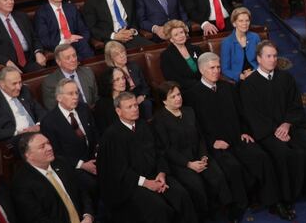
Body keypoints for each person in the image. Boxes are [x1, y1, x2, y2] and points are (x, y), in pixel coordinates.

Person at [187, 52, 287, 218]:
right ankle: (238, 207)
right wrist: (212, 142)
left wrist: (245, 131)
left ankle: (274, 202)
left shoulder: (228, 87)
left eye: (218, 67)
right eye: (212, 68)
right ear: (202, 70)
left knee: (261, 157)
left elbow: (242, 113)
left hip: (238, 138)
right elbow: (195, 127)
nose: (217, 71)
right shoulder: (193, 95)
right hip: (216, 145)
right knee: (232, 167)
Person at [240, 41, 306, 206]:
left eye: (275, 56)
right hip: (267, 132)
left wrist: (286, 124)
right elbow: (253, 115)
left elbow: (295, 105)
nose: (272, 60)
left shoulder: (286, 78)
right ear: (259, 58)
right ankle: (286, 198)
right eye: (268, 56)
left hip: (289, 125)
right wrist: (276, 131)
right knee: (283, 154)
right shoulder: (248, 85)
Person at [97, 92, 198, 222]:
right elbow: (119, 171)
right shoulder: (111, 136)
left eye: (136, 105)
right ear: (118, 111)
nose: (135, 109)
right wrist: (146, 183)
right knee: (158, 208)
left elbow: (158, 152)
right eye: (129, 107)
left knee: (181, 195)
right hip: (132, 185)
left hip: (155, 176)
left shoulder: (144, 125)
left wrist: (161, 173)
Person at [151, 81, 238, 219]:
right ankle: (207, 216)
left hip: (199, 155)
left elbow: (201, 137)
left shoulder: (189, 111)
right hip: (180, 162)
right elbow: (166, 149)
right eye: (173, 97)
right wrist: (189, 164)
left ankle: (228, 211)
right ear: (164, 101)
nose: (178, 98)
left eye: (178, 94)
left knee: (218, 175)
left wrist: (203, 156)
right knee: (196, 185)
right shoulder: (159, 120)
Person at [13, 132, 94, 223]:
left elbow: (82, 191)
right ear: (28, 155)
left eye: (48, 143)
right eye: (42, 146)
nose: (50, 148)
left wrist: (88, 216)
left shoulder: (62, 163)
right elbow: (36, 218)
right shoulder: (21, 183)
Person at [39, 78, 98, 194]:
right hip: (72, 166)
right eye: (70, 94)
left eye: (76, 93)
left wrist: (98, 150)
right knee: (93, 185)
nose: (75, 97)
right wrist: (82, 165)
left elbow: (95, 133)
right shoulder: (49, 122)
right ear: (59, 97)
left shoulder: (84, 108)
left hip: (93, 157)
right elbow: (55, 153)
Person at [82, 0, 151, 49]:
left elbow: (134, 18)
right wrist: (114, 36)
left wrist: (132, 31)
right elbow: (92, 28)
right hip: (111, 39)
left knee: (153, 49)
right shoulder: (92, 1)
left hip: (130, 35)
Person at [0, 0, 46, 72]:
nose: (10, 2)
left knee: (43, 75)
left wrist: (38, 52)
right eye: (6, 0)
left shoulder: (22, 16)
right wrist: (7, 62)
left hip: (30, 59)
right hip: (8, 64)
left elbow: (34, 38)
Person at [0, 66, 45, 142]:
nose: (19, 87)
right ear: (2, 84)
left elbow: (41, 111)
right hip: (16, 139)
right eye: (14, 84)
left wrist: (38, 125)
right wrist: (17, 132)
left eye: (20, 82)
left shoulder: (24, 90)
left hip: (37, 132)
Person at [41, 44, 98, 110]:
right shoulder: (50, 83)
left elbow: (95, 99)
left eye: (74, 56)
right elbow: (53, 110)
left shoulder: (87, 73)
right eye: (68, 58)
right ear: (59, 62)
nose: (73, 60)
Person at [104, 40, 152, 117]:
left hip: (140, 98)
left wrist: (143, 96)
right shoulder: (111, 73)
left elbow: (145, 86)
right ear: (111, 58)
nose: (122, 55)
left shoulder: (134, 66)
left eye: (122, 52)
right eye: (117, 54)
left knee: (146, 104)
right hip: (124, 101)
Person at [160, 19, 204, 93]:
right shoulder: (166, 56)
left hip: (203, 83)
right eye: (176, 35)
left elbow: (205, 66)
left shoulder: (195, 48)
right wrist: (197, 85)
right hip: (185, 89)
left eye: (181, 32)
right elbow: (172, 79)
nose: (181, 36)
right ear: (171, 39)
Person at [220, 7, 260, 83]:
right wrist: (240, 76)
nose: (245, 24)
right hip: (240, 78)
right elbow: (225, 69)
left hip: (255, 73)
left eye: (247, 20)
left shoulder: (255, 37)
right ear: (234, 23)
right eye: (241, 21)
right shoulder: (227, 42)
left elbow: (262, 59)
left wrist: (254, 72)